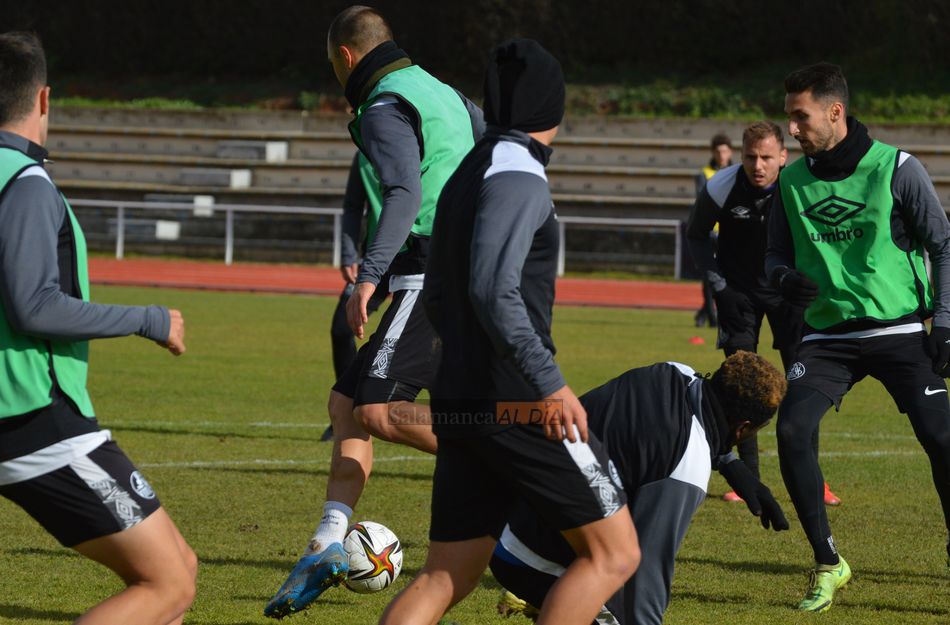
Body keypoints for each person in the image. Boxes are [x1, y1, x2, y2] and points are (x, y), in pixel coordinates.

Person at [379, 39, 639, 625]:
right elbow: (492, 289)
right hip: (518, 399)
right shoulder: (518, 172)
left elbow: (444, 294)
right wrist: (547, 382)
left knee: (449, 571)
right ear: (554, 106)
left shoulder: (471, 167)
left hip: (461, 394)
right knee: (614, 552)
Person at [264, 6, 483, 618]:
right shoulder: (444, 92)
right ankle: (326, 546)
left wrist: (367, 276)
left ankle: (504, 461)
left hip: (431, 277)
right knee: (345, 408)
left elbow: (404, 192)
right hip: (452, 270)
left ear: (347, 57)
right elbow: (489, 150)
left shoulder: (385, 103)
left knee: (378, 409)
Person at [0, 31, 196, 625]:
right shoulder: (24, 183)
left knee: (179, 567)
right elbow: (33, 305)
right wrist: (149, 318)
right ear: (43, 100)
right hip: (35, 417)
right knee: (167, 584)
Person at [766, 62, 950, 613]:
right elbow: (773, 256)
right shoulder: (790, 182)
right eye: (789, 118)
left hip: (897, 331)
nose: (791, 130)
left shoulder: (896, 168)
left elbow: (944, 245)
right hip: (826, 340)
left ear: (835, 111)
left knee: (942, 439)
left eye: (800, 117)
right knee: (793, 430)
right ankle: (828, 562)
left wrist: (945, 322)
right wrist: (784, 279)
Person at [491, 352, 790, 625]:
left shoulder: (672, 373)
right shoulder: (686, 468)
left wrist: (731, 465)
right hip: (537, 560)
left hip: (506, 520)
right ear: (742, 428)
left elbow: (699, 418)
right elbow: (644, 579)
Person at [687, 121, 841, 507]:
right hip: (738, 294)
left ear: (783, 157)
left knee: (804, 382)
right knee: (740, 383)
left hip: (788, 292)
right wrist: (719, 286)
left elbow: (823, 238)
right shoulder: (721, 186)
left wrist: (813, 284)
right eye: (751, 157)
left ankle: (814, 481)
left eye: (767, 157)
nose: (758, 165)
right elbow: (696, 235)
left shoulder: (800, 186)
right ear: (741, 155)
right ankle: (747, 480)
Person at [323, 152, 390, 442]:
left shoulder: (426, 141)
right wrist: (350, 253)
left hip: (420, 259)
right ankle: (346, 411)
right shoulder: (364, 151)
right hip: (376, 261)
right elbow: (353, 205)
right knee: (341, 328)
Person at [692, 133, 733, 329]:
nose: (721, 154)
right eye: (718, 151)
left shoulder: (738, 172)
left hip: (731, 232)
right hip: (712, 233)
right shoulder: (705, 173)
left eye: (724, 150)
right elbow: (703, 202)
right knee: (710, 275)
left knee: (730, 276)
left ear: (730, 152)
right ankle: (711, 316)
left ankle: (703, 313)